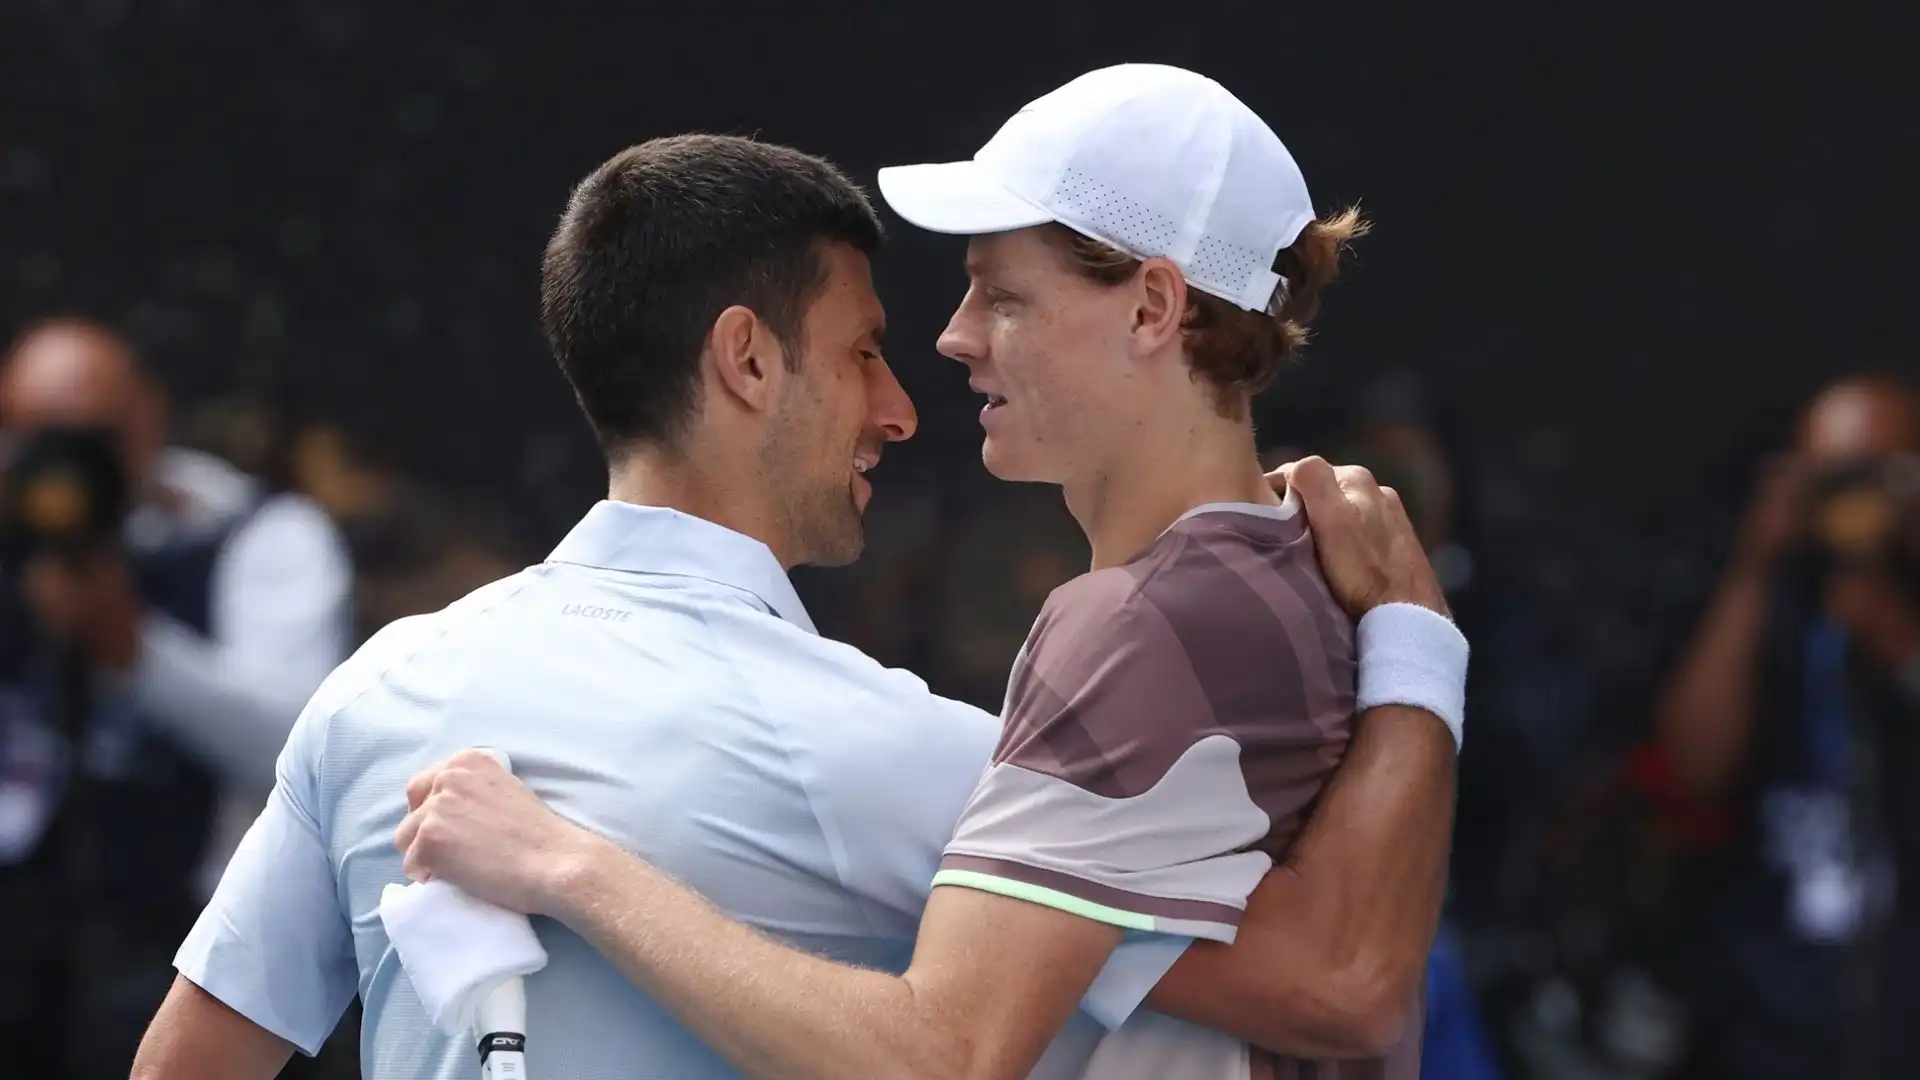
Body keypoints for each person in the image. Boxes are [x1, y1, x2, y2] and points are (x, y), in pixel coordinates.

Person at [132, 126, 1456, 1080]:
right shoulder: (904, 757)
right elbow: (1335, 990)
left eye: (997, 303)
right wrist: (1415, 650)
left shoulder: (379, 690)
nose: (903, 399)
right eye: (866, 351)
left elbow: (190, 1061)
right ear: (746, 361)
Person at [0, 319, 353, 1077]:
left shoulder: (254, 533)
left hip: (193, 936)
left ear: (147, 420)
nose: (61, 468)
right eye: (34, 439)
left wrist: (134, 649)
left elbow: (300, 747)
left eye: (88, 439)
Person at [1652, 375, 1920, 1079]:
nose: (1850, 503)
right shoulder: (1768, 603)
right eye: (1829, 479)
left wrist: (1897, 643)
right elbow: (1694, 765)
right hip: (1765, 1024)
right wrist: (1755, 564)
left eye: (1871, 477)